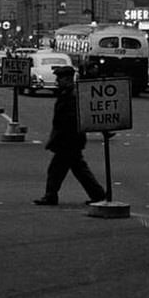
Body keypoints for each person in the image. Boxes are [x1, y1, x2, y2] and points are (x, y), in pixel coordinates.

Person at [33, 65, 106, 206]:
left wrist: (59, 139)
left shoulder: (71, 96)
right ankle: (98, 195)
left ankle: (51, 196)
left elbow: (69, 121)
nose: (57, 81)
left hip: (68, 140)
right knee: (79, 170)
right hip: (70, 140)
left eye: (59, 78)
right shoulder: (68, 93)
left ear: (67, 79)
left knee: (56, 170)